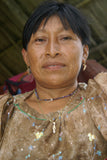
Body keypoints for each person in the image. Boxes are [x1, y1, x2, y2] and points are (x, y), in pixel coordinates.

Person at [0, 1, 107, 159]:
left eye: (65, 38)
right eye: (40, 40)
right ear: (26, 56)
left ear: (84, 53)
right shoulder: (5, 113)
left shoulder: (101, 98)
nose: (52, 51)